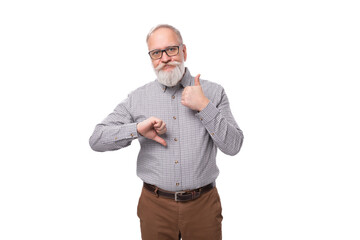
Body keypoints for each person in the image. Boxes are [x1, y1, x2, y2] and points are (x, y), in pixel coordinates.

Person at [89, 24, 244, 240]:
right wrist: (137, 130)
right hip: (155, 207)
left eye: (171, 49)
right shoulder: (137, 98)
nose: (164, 58)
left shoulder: (214, 93)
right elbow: (96, 139)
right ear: (151, 58)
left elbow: (234, 146)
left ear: (184, 51)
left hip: (203, 206)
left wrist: (204, 106)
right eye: (156, 53)